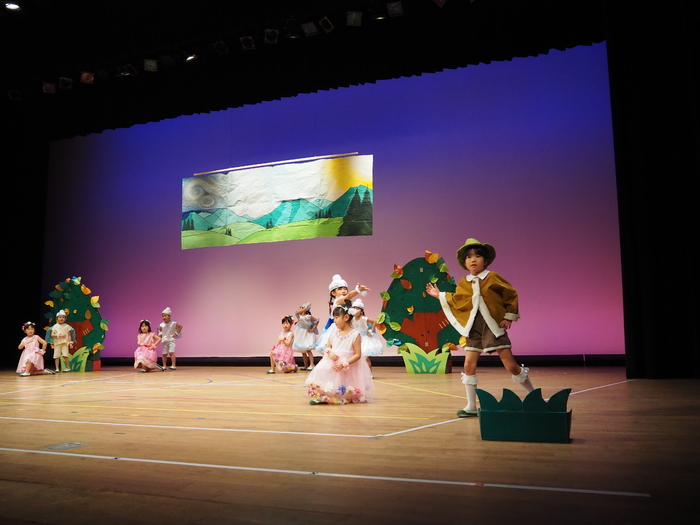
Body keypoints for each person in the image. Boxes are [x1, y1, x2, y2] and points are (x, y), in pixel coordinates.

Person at [426, 238, 535, 417]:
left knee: (510, 365)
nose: (473, 260)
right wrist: (440, 295)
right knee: (468, 365)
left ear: (485, 260)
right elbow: (459, 299)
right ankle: (471, 406)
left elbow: (510, 294)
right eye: (469, 257)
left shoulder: (492, 277)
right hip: (474, 329)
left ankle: (534, 396)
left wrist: (509, 315)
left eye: (477, 256)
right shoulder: (465, 281)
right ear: (464, 262)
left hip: (492, 327)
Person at [305, 301, 374, 405]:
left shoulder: (355, 335)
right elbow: (328, 347)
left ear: (346, 317)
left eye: (337, 317)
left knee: (344, 382)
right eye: (334, 318)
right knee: (321, 370)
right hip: (333, 361)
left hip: (347, 364)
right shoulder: (333, 333)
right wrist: (329, 353)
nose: (334, 320)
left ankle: (342, 396)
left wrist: (344, 363)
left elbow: (358, 354)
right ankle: (324, 395)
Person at [315, 274, 370, 352]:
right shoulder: (338, 301)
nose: (344, 291)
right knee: (337, 346)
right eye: (340, 289)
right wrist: (358, 290)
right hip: (338, 327)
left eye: (345, 289)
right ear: (333, 293)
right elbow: (349, 295)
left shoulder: (347, 303)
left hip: (347, 326)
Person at [351, 299, 383, 376]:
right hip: (356, 339)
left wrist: (371, 331)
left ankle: (369, 374)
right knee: (359, 357)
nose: (356, 310)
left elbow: (374, 321)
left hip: (364, 340)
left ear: (361, 311)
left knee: (364, 357)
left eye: (358, 309)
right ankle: (360, 374)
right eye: (354, 308)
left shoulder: (363, 318)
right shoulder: (352, 319)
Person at [293, 302, 318, 371]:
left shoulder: (308, 316)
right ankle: (305, 365)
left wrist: (313, 328)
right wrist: (302, 310)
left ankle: (312, 364)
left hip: (307, 334)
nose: (300, 309)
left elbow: (317, 320)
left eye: (302, 308)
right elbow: (296, 313)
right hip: (300, 334)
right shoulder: (299, 316)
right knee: (303, 351)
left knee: (308, 350)